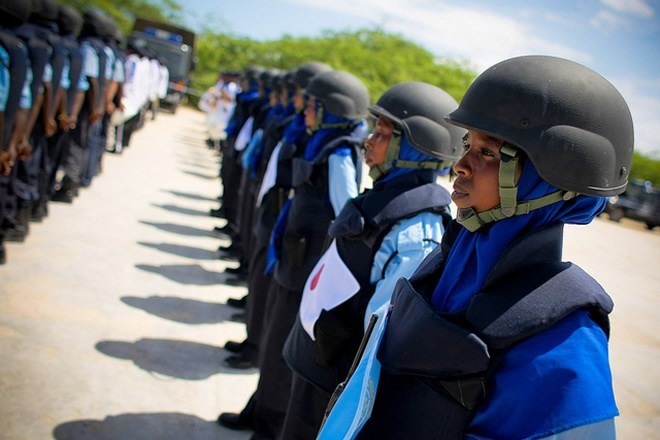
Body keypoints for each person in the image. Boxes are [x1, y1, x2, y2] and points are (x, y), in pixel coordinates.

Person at [318, 55, 634, 439]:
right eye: (467, 144)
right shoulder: (441, 265)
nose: (461, 165)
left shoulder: (565, 346)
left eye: (488, 153)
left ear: (552, 178)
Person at [279, 81, 465, 439]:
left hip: (335, 376)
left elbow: (379, 331)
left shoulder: (417, 230)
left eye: (381, 133)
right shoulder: (385, 196)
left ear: (411, 148)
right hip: (319, 356)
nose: (368, 140)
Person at [219, 69, 369, 439]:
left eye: (313, 105)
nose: (304, 110)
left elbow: (345, 214)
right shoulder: (322, 143)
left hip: (306, 267)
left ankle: (267, 425)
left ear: (331, 111)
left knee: (280, 351)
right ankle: (260, 408)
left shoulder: (338, 153)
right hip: (293, 259)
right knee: (272, 339)